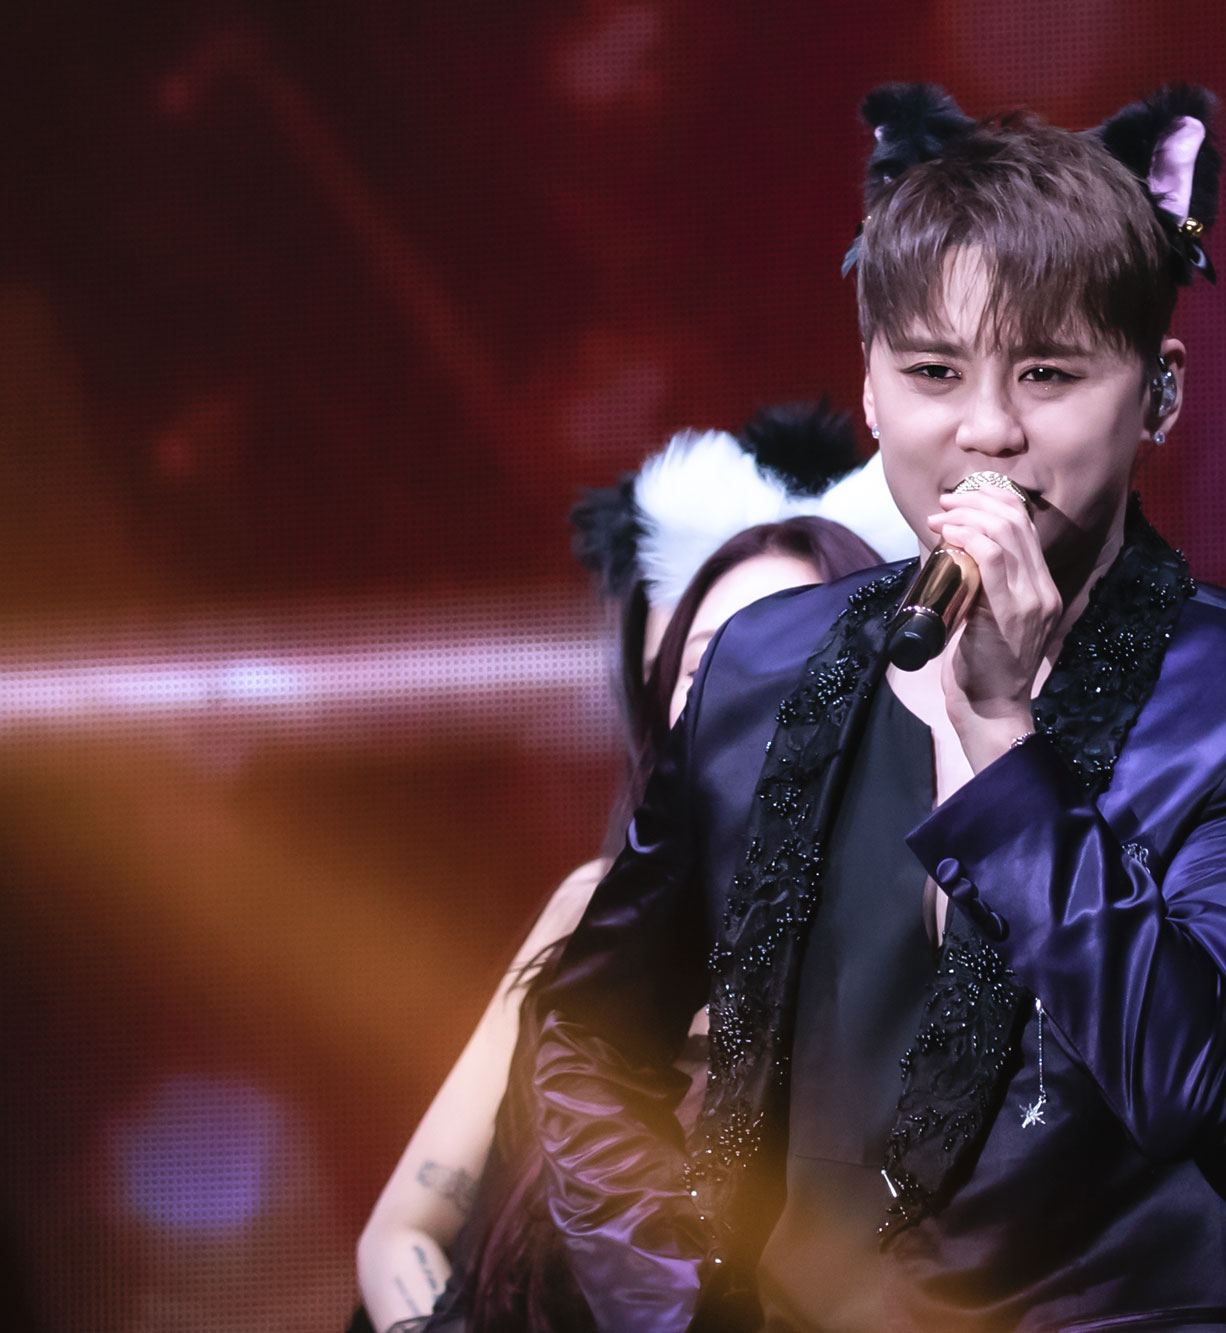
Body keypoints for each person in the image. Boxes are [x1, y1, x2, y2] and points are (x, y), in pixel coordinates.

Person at [525, 83, 1226, 1332]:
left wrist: (1000, 733)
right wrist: (675, 1310)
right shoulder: (765, 663)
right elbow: (588, 1037)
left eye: (1047, 372)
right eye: (934, 372)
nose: (986, 430)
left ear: (1157, 395)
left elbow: (1190, 1081)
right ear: (871, 393)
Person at [355, 405, 908, 1332]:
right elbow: (402, 1232)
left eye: (790, 658)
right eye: (706, 663)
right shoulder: (587, 910)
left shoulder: (933, 933)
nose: (740, 693)